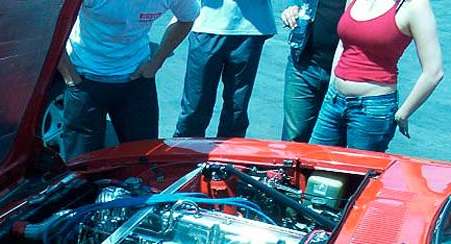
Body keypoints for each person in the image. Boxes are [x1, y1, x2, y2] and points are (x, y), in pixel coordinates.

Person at [58, 0, 199, 161]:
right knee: (81, 162)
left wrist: (155, 63)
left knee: (142, 159)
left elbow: (187, 19)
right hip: (86, 79)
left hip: (136, 80)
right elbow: (48, 22)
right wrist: (69, 75)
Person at [309, 0, 443, 152]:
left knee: (359, 167)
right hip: (333, 100)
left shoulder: (414, 6)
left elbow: (434, 72)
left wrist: (403, 113)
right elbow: (343, 44)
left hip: (372, 109)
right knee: (313, 160)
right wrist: (333, 83)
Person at [173, 0, 276, 138]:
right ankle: (184, 148)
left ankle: (230, 149)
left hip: (251, 29)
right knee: (195, 105)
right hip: (206, 26)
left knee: (237, 108)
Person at [280, 0, 347, 142]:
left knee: (333, 143)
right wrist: (292, 8)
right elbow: (299, 4)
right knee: (293, 139)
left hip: (346, 75)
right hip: (304, 65)